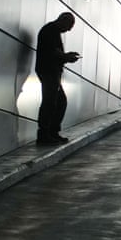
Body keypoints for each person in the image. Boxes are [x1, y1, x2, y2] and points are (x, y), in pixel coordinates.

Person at [35, 12, 80, 145]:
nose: (69, 29)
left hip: (50, 71)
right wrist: (67, 57)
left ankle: (51, 133)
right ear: (63, 20)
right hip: (48, 71)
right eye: (69, 25)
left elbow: (54, 53)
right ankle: (45, 134)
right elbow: (53, 52)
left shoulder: (52, 30)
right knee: (51, 102)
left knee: (57, 102)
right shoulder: (50, 30)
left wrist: (66, 57)